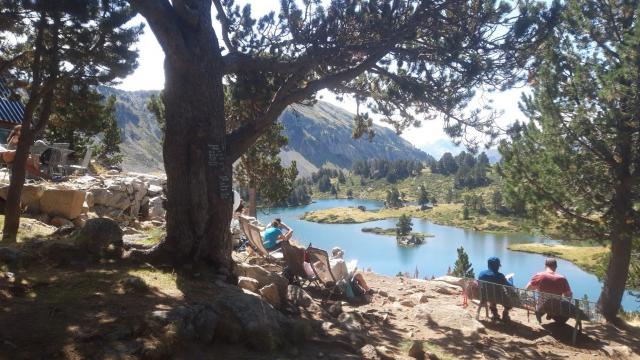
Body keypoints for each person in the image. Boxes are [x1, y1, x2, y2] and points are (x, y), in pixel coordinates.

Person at [526, 258, 573, 323]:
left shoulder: (539, 275)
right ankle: (552, 315)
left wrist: (538, 287)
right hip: (556, 308)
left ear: (545, 266)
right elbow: (568, 296)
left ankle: (543, 313)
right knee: (566, 305)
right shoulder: (562, 278)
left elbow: (527, 288)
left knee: (544, 302)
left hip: (541, 307)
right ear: (556, 267)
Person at [477, 256, 513, 322]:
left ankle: (495, 314)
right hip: (499, 298)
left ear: (488, 265)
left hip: (485, 296)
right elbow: (510, 286)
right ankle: (505, 312)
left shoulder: (481, 274)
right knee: (511, 299)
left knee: (491, 295)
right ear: (498, 266)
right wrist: (510, 280)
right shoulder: (500, 276)